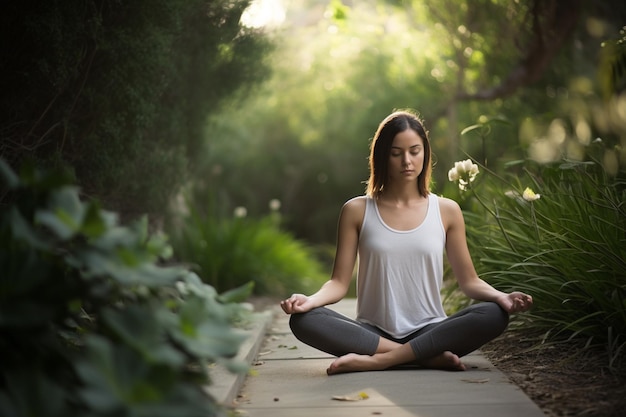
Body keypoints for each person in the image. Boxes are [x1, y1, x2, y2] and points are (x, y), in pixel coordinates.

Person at [280, 110, 533, 375]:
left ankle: (380, 360)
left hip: (431, 329)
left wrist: (501, 297)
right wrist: (309, 300)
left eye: (415, 151)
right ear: (382, 156)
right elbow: (338, 283)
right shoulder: (357, 210)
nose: (407, 161)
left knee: (493, 314)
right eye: (396, 152)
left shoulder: (447, 210)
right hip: (372, 332)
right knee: (304, 320)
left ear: (426, 152)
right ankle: (423, 357)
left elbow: (469, 281)